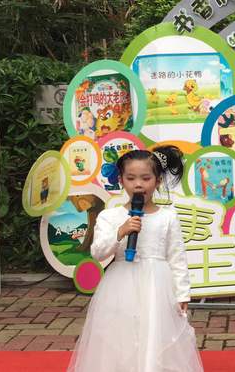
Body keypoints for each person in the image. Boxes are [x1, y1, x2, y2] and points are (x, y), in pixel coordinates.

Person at [68, 145, 203, 372]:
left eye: (145, 178)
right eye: (131, 178)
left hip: (157, 285)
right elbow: (98, 252)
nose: (138, 184)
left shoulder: (167, 217)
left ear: (157, 181)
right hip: (121, 284)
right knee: (120, 335)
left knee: (156, 334)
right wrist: (120, 232)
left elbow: (176, 257)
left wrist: (182, 292)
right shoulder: (110, 216)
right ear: (121, 180)